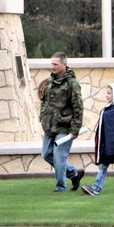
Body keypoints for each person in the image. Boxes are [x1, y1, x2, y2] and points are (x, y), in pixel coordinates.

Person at [39, 52, 85, 192]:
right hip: (50, 127)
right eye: (52, 63)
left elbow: (78, 107)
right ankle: (74, 173)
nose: (52, 66)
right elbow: (44, 102)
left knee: (59, 157)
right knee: (46, 154)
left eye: (56, 64)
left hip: (64, 128)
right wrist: (42, 117)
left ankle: (60, 187)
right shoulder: (49, 82)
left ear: (64, 65)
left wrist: (75, 129)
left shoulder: (72, 84)